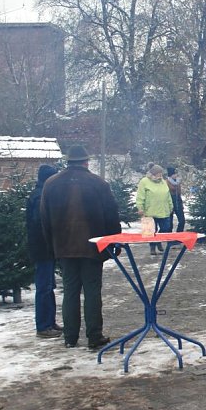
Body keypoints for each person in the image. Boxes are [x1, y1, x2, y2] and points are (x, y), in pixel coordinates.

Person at [41, 145, 121, 349]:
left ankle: (70, 337)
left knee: (70, 291)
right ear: (86, 162)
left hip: (64, 246)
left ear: (68, 161)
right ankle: (94, 336)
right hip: (93, 247)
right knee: (92, 292)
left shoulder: (51, 184)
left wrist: (51, 247)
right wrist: (113, 243)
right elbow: (112, 216)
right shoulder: (98, 183)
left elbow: (44, 219)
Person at [26, 164, 62, 338]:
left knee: (49, 287)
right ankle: (43, 325)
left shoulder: (41, 194)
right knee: (43, 288)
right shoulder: (40, 197)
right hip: (43, 249)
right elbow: (41, 224)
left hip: (46, 248)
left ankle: (50, 322)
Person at [136, 164, 174, 255]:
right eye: (158, 173)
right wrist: (140, 208)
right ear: (153, 173)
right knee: (149, 231)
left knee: (166, 228)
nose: (160, 175)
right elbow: (140, 196)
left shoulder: (163, 182)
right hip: (149, 211)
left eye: (161, 173)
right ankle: (152, 247)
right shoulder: (144, 181)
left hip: (163, 210)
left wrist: (170, 206)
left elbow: (168, 195)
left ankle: (158, 241)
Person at [166, 166, 185, 232]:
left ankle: (179, 235)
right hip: (170, 203)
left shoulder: (178, 182)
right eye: (174, 174)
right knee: (169, 223)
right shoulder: (166, 182)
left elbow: (179, 193)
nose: (176, 175)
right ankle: (169, 237)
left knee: (182, 220)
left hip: (178, 202)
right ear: (171, 175)